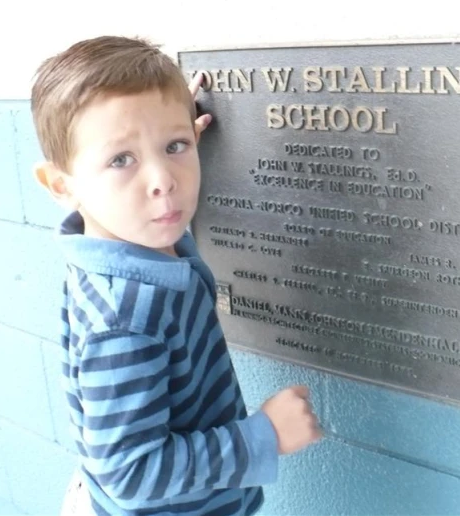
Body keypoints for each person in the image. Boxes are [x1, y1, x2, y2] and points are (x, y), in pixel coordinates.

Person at [30, 35, 323, 516]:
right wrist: (263, 436)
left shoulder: (121, 242)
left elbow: (147, 160)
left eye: (176, 146)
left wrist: (158, 131)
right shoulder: (125, 318)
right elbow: (131, 475)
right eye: (121, 159)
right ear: (63, 186)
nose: (163, 179)